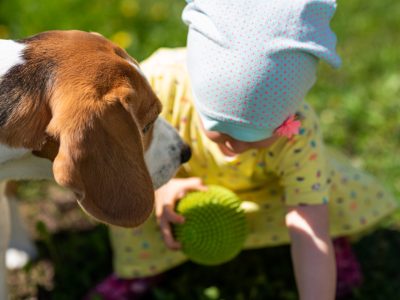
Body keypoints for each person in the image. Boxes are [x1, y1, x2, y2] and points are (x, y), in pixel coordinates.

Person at [88, 0, 397, 299]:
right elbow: (120, 153)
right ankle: (139, 271)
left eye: (256, 136)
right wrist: (159, 191)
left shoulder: (300, 133)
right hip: (178, 190)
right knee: (130, 204)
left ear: (286, 118)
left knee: (318, 205)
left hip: (266, 193)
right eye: (221, 132)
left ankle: (334, 249)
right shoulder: (158, 86)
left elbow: (308, 225)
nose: (234, 148)